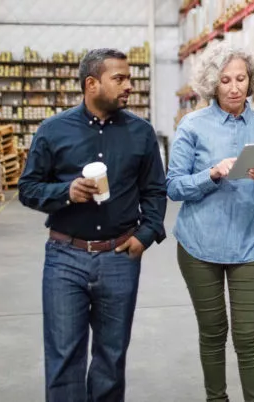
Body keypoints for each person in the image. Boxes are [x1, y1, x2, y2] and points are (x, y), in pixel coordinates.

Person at [18, 48, 167, 402]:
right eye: (120, 79)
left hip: (119, 256)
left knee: (110, 358)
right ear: (91, 83)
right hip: (65, 258)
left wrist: (144, 236)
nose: (129, 86)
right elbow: (28, 188)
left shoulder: (141, 133)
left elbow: (156, 191)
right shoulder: (53, 131)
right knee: (63, 357)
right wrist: (65, 192)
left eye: (129, 78)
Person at [166, 42, 254, 402]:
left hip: (248, 245)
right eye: (226, 80)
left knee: (248, 337)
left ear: (252, 82)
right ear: (213, 84)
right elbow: (172, 186)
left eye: (242, 79)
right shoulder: (192, 126)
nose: (235, 87)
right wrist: (211, 174)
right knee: (213, 333)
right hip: (200, 245)